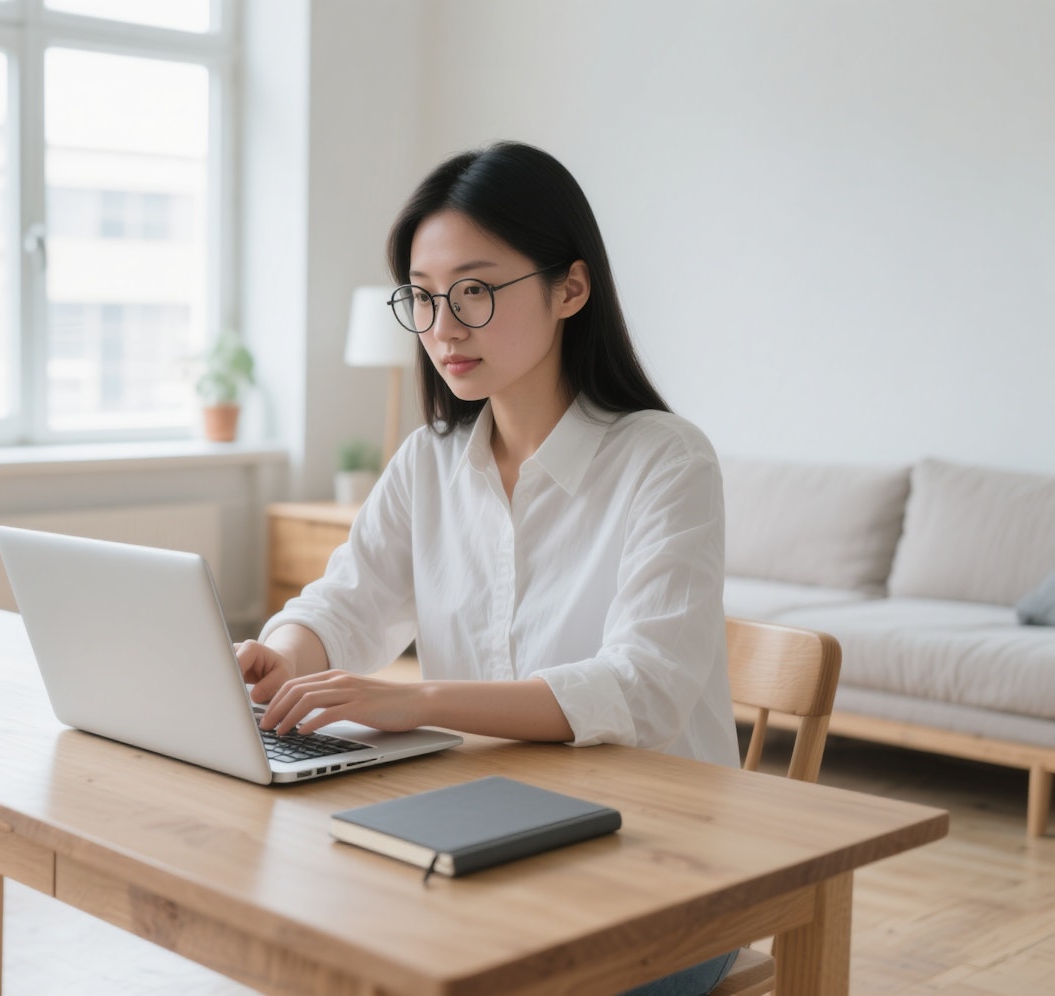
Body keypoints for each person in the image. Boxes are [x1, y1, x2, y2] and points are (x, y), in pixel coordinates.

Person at [234, 141, 739, 995]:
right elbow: (346, 603)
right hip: (483, 841)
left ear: (570, 288)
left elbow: (644, 689)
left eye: (474, 290)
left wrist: (412, 700)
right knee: (297, 931)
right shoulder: (431, 461)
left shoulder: (668, 460)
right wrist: (283, 651)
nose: (443, 328)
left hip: (664, 874)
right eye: (424, 299)